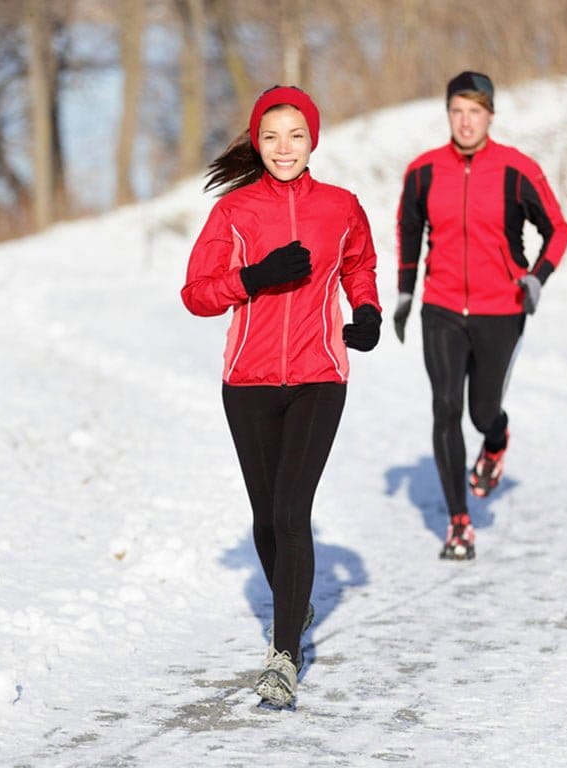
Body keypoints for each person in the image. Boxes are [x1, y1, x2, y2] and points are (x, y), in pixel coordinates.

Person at [181, 85, 381, 708]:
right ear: (256, 143)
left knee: (292, 513)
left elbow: (359, 265)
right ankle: (298, 603)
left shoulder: (342, 206)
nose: (283, 147)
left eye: (295, 135)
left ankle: (284, 654)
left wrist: (367, 312)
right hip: (247, 382)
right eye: (270, 136)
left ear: (312, 139)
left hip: (321, 375)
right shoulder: (235, 212)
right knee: (267, 518)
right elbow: (196, 292)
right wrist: (255, 277)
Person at [393, 71, 567, 561]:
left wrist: (537, 277)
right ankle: (459, 522)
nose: (465, 121)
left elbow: (557, 229)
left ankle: (495, 440)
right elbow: (409, 231)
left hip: (501, 309)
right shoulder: (424, 171)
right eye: (457, 111)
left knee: (481, 412)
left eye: (475, 111)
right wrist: (407, 294)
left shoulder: (517, 170)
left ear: (490, 115)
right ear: (447, 114)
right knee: (446, 408)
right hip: (443, 307)